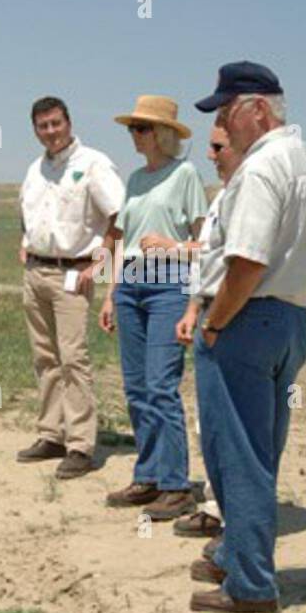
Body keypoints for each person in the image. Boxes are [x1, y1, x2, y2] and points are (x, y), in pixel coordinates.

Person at [186, 62, 306, 613]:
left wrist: (216, 321)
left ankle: (250, 585)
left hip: (245, 320)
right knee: (259, 449)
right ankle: (236, 549)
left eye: (227, 111)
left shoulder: (260, 170)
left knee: (236, 453)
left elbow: (246, 262)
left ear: (258, 110)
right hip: (292, 321)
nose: (224, 122)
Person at [99, 95, 207, 519]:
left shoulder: (186, 175)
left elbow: (207, 245)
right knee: (136, 388)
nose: (134, 135)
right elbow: (120, 241)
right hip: (129, 286)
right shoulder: (134, 179)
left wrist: (171, 246)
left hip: (168, 287)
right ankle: (148, 475)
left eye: (141, 128)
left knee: (162, 387)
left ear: (162, 134)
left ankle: (176, 484)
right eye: (132, 128)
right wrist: (110, 292)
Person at [18, 95, 125, 479]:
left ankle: (80, 443)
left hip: (72, 272)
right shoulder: (35, 170)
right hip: (36, 272)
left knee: (73, 358)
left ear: (69, 122)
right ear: (35, 130)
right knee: (44, 357)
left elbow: (118, 214)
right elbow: (27, 215)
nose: (50, 132)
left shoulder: (93, 164)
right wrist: (25, 242)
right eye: (42, 126)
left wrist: (100, 261)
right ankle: (52, 433)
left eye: (56, 124)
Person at [172, 121, 243, 535]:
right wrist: (194, 307)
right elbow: (211, 261)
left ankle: (234, 514)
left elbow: (243, 261)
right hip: (211, 307)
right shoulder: (223, 197)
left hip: (235, 314)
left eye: (218, 147)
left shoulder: (251, 194)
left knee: (234, 421)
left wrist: (216, 318)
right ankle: (218, 506)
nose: (210, 155)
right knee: (210, 420)